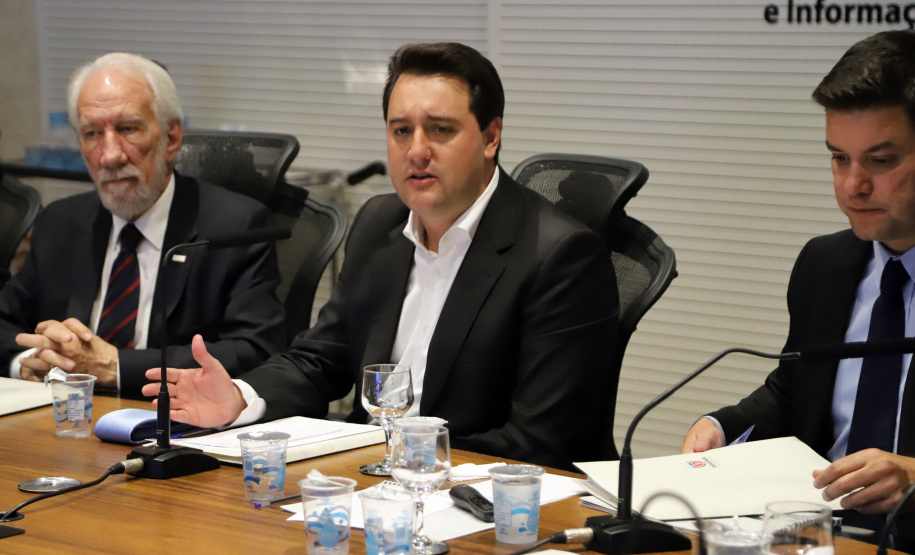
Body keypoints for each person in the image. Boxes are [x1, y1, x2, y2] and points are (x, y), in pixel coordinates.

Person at [143, 42, 619, 470]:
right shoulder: (380, 222)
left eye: (441, 130)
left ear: (491, 137)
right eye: (400, 130)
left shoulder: (559, 256)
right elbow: (321, 359)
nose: (416, 151)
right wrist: (241, 398)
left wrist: (387, 457)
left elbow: (541, 441)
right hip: (375, 482)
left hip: (487, 501)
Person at [681, 30, 915, 547]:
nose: (853, 185)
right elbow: (794, 391)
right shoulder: (825, 263)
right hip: (810, 537)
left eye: (880, 161)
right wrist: (724, 426)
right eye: (838, 158)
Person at [0, 52, 286, 398]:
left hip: (175, 425)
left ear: (172, 138)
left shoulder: (236, 227)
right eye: (92, 133)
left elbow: (253, 350)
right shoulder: (60, 222)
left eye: (128, 129)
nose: (110, 155)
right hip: (68, 421)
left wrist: (115, 366)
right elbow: (5, 322)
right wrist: (31, 361)